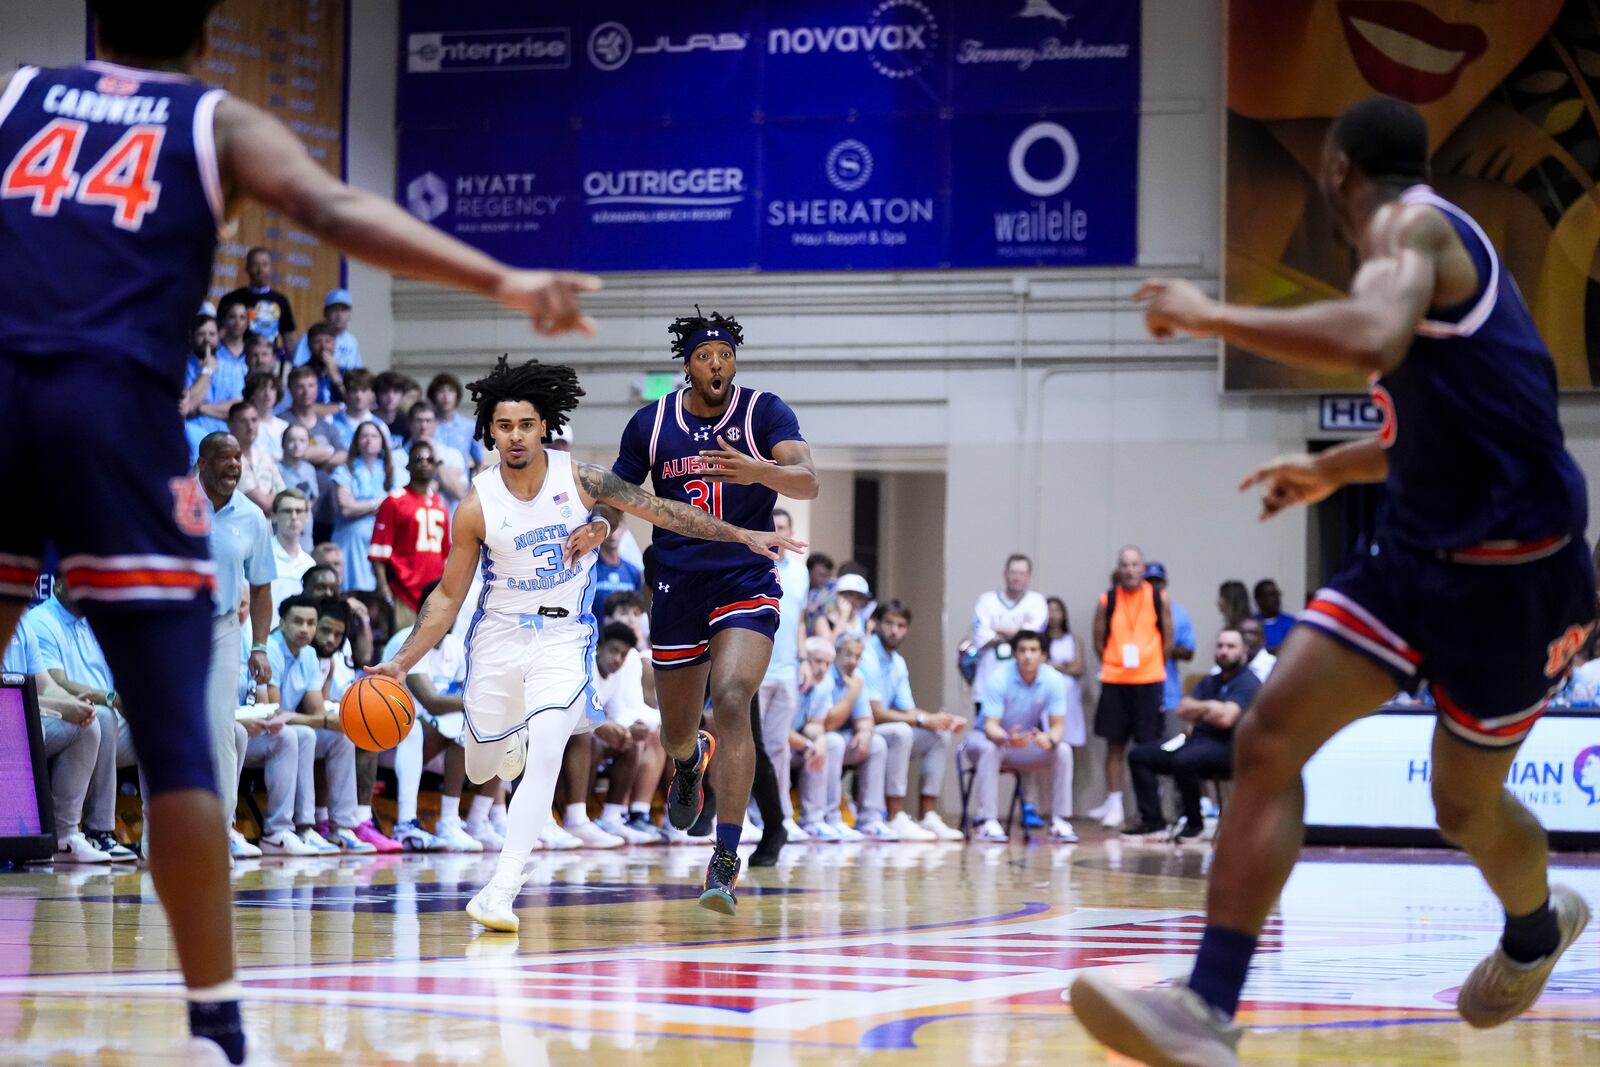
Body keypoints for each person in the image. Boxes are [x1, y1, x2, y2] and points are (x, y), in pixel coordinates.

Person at [0, 4, 599, 1059]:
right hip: (114, 417)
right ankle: (215, 1024)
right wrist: (503, 281)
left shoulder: (16, 95)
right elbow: (330, 205)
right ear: (201, 27)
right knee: (187, 742)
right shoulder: (213, 119)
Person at [1073, 96, 1597, 1065]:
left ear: (1336, 170)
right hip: (1413, 555)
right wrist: (1331, 468)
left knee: (1462, 804)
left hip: (1520, 576)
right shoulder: (1418, 261)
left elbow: (1366, 339)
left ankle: (1538, 927)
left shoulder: (1414, 228)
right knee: (1268, 736)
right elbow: (1432, 425)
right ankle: (1207, 1008)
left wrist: (1209, 313)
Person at [369, 356, 802, 931]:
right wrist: (400, 663)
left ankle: (500, 889)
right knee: (481, 766)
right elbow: (447, 598)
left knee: (549, 745)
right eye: (504, 426)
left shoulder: (582, 480)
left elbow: (666, 509)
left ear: (542, 425)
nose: (516, 436)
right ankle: (503, 747)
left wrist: (740, 533)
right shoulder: (475, 506)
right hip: (497, 641)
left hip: (562, 640)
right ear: (490, 432)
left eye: (526, 424)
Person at [594, 309, 818, 913]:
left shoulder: (764, 412)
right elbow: (617, 491)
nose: (716, 363)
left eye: (724, 354)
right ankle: (691, 759)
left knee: (735, 697)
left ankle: (725, 855)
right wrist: (597, 528)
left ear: (734, 362)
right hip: (675, 581)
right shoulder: (653, 422)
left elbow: (808, 481)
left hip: (745, 574)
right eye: (703, 356)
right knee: (674, 731)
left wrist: (762, 470)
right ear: (687, 366)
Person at [195, 432, 275, 842]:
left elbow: (261, 588)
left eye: (238, 457)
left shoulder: (252, 516)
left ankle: (216, 833)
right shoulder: (172, 503)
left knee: (221, 728)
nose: (234, 465)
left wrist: (259, 645)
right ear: (202, 464)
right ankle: (156, 836)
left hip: (223, 627)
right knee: (167, 728)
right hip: (173, 628)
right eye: (224, 457)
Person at [1126, 629, 1261, 839]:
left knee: (1185, 760)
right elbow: (1183, 709)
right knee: (1140, 755)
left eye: (1230, 647)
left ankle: (1194, 824)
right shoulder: (1211, 681)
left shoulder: (1248, 683)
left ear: (1244, 651)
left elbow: (1226, 720)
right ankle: (1153, 822)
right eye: (1220, 646)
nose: (1224, 651)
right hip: (1196, 741)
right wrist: (1213, 706)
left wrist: (1202, 711)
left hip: (1227, 747)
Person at [861, 600, 966, 841]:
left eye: (901, 625)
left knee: (939, 735)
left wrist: (938, 720)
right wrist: (922, 719)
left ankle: (927, 815)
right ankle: (895, 815)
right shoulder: (867, 654)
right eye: (889, 623)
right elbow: (875, 712)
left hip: (886, 733)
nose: (894, 630)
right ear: (875, 624)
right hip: (863, 730)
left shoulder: (897, 662)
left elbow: (907, 709)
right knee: (902, 731)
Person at [961, 630, 1078, 843]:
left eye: (1034, 650)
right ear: (1014, 654)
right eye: (1022, 650)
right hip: (988, 741)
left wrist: (1049, 739)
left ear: (1043, 655)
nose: (1028, 656)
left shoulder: (1053, 679)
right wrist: (1006, 739)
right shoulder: (999, 678)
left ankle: (1060, 821)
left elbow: (1058, 726)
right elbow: (990, 726)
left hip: (1022, 744)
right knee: (990, 747)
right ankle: (988, 821)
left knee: (1063, 750)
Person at [1088, 545, 1173, 831]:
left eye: (1135, 565)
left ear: (1143, 567)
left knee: (1147, 747)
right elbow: (1098, 638)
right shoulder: (1108, 599)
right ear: (1118, 568)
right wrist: (1114, 662)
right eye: (1125, 565)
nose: (1130, 570)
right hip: (1115, 680)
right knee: (1115, 744)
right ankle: (1114, 804)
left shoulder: (1158, 597)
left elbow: (1168, 638)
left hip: (1148, 681)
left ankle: (1147, 809)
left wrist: (1151, 662)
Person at [756, 508, 810, 844]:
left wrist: (803, 658)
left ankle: (780, 816)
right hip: (758, 670)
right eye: (773, 527)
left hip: (788, 670)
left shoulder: (801, 573)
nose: (780, 533)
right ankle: (746, 814)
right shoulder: (755, 567)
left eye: (784, 528)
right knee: (750, 746)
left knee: (779, 749)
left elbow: (800, 621)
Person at [369, 442, 449, 627]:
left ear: (436, 466)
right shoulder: (394, 501)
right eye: (418, 459)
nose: (424, 463)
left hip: (433, 594)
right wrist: (384, 588)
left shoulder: (440, 504)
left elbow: (445, 555)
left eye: (429, 460)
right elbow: (379, 553)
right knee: (402, 649)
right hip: (402, 592)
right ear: (408, 466)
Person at [969, 554, 1049, 710]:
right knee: (986, 731)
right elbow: (981, 635)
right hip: (988, 679)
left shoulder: (1036, 601)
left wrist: (998, 627)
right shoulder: (987, 600)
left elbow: (1031, 636)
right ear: (1005, 574)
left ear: (1029, 577)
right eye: (1013, 572)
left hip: (1025, 684)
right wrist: (1019, 630)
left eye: (1022, 573)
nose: (1017, 578)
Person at [331, 422, 392, 592]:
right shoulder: (345, 470)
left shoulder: (393, 470)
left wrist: (361, 505)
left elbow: (398, 506)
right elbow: (346, 509)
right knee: (353, 593)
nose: (368, 440)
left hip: (384, 541)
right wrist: (377, 503)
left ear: (382, 442)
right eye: (364, 436)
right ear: (356, 441)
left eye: (374, 436)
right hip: (352, 543)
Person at [221, 247, 297, 357]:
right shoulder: (230, 299)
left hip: (268, 362)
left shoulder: (281, 300)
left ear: (271, 268)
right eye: (255, 265)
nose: (260, 269)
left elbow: (289, 338)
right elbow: (220, 333)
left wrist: (295, 363)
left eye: (265, 264)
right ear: (247, 268)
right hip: (234, 358)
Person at [1146, 561, 1197, 722]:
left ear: (1165, 583)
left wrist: (1160, 644)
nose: (1154, 586)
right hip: (1139, 692)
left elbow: (1188, 652)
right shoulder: (1134, 611)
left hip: (1168, 691)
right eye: (1149, 581)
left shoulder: (1179, 613)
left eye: (1157, 581)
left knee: (1170, 742)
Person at [291, 289, 361, 401]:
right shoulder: (309, 336)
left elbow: (358, 375)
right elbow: (298, 369)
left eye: (343, 310)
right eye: (334, 310)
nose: (339, 315)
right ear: (325, 313)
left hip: (343, 392)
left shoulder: (352, 341)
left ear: (350, 314)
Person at [226, 401, 285, 514]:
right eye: (243, 421)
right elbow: (264, 504)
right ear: (230, 424)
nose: (250, 426)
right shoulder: (225, 457)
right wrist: (272, 496)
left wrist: (274, 499)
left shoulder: (264, 456)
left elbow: (284, 498)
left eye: (254, 420)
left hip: (266, 529)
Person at [268, 489, 315, 611]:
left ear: (307, 517)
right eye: (287, 511)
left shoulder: (309, 564)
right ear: (274, 517)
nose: (294, 517)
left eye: (299, 511)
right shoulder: (260, 557)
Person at [1252, 578, 1295, 654]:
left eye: (1277, 594)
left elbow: (1291, 650)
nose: (1276, 598)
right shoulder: (1251, 622)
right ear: (1259, 599)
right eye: (1271, 595)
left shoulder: (1291, 623)